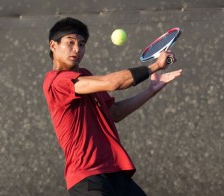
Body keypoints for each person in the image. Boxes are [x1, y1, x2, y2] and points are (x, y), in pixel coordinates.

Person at [43, 17, 182, 196]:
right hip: (87, 179)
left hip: (115, 174)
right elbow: (112, 82)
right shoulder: (57, 81)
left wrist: (152, 89)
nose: (77, 49)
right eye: (70, 42)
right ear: (53, 46)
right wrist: (154, 67)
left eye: (82, 44)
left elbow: (114, 113)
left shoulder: (85, 75)